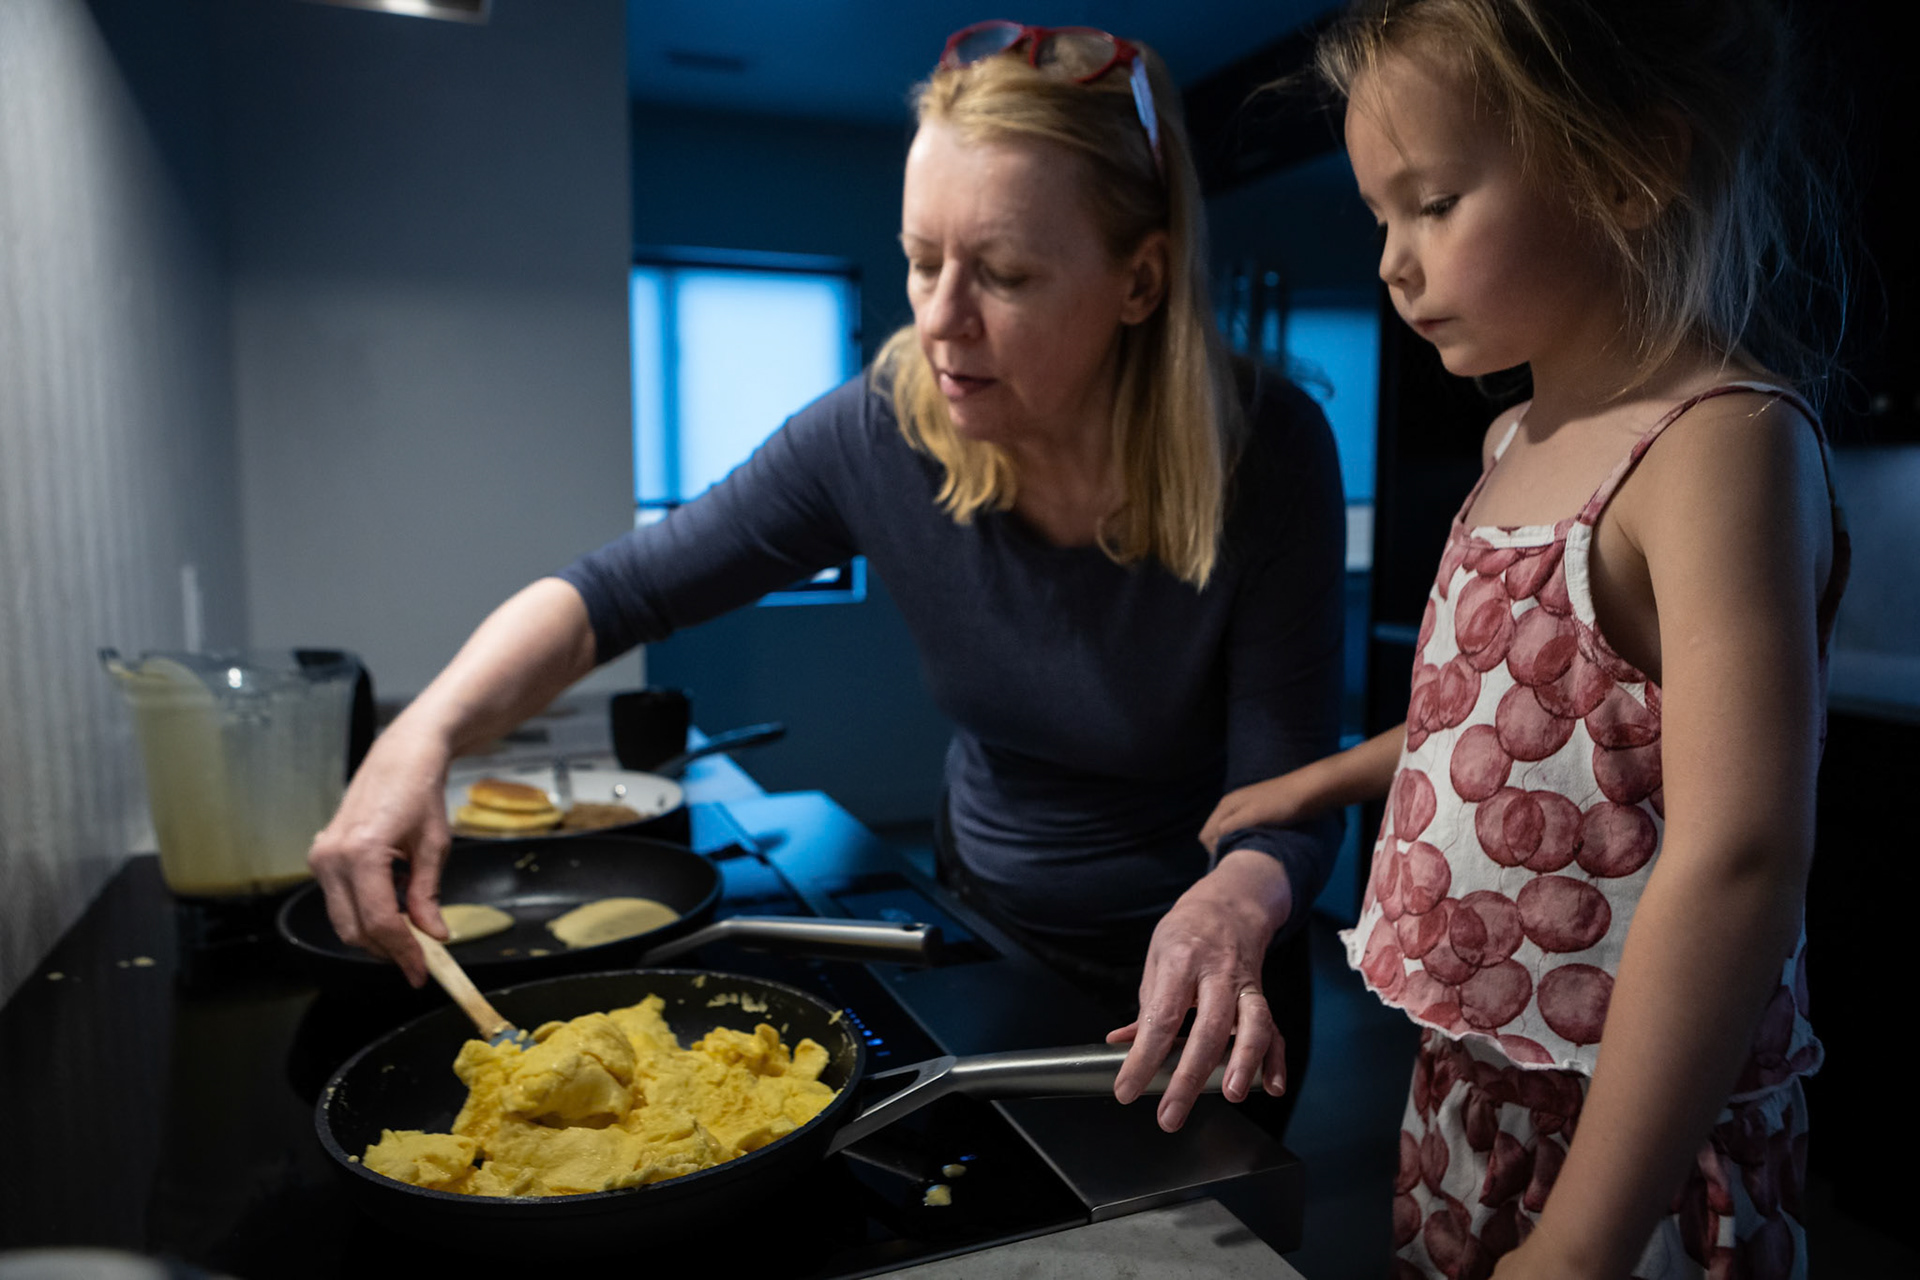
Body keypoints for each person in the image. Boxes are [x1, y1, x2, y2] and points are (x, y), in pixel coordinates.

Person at [309, 21, 1347, 1140]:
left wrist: (1239, 897)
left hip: (1205, 970)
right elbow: (616, 593)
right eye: (920, 258)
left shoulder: (1265, 450)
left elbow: (1287, 796)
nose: (938, 321)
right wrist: (418, 741)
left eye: (1001, 274)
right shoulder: (882, 427)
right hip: (987, 925)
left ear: (1139, 278)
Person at [1200, 0, 1849, 1274]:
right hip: (1477, 1084)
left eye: (1433, 203)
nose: (1392, 262)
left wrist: (1583, 1244)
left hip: (1638, 1136)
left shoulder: (1717, 442)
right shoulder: (1511, 446)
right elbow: (1501, 715)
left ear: (1627, 167)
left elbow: (1742, 856)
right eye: (1382, 215)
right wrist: (1319, 776)